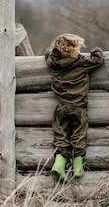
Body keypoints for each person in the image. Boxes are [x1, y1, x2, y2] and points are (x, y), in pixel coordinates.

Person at [44, 34, 104, 182]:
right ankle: (77, 167)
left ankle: (59, 164)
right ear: (73, 49)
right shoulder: (80, 62)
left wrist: (53, 51)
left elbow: (47, 53)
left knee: (61, 136)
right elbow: (98, 60)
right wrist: (97, 50)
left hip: (62, 108)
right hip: (79, 109)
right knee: (79, 135)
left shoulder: (52, 61)